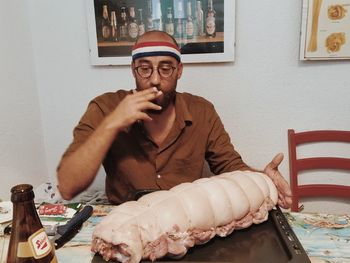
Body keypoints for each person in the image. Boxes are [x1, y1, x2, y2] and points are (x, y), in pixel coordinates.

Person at [57, 31, 292, 208]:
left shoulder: (202, 111)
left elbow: (229, 166)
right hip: (125, 220)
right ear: (133, 70)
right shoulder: (104, 107)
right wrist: (112, 123)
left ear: (179, 70)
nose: (155, 80)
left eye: (166, 69)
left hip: (186, 220)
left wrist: (262, 178)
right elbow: (68, 187)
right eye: (145, 69)